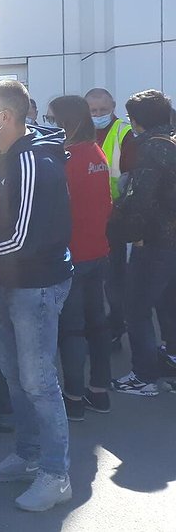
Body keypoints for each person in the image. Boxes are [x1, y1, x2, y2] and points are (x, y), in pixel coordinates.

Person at [0, 81, 74, 513]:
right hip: (11, 283)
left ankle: (56, 474)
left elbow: (20, 237)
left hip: (37, 284)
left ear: (6, 117)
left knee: (40, 382)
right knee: (16, 376)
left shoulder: (32, 159)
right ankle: (29, 456)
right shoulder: (5, 154)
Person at [46, 97, 113, 418]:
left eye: (50, 118)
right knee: (96, 325)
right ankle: (99, 391)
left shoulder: (67, 158)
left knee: (72, 330)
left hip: (72, 256)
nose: (46, 123)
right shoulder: (95, 152)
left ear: (65, 122)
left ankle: (73, 397)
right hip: (98, 251)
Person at [108, 90, 176, 397]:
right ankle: (170, 362)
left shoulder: (150, 148)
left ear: (136, 120)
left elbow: (143, 200)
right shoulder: (172, 142)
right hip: (172, 240)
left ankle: (144, 375)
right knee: (168, 305)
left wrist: (128, 227)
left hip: (153, 241)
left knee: (136, 308)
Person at [85, 88, 136, 343]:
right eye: (93, 111)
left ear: (113, 106)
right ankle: (100, 325)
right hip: (90, 217)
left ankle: (116, 326)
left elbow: (129, 178)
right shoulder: (83, 132)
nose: (98, 115)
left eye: (103, 111)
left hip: (114, 216)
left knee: (114, 278)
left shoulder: (123, 132)